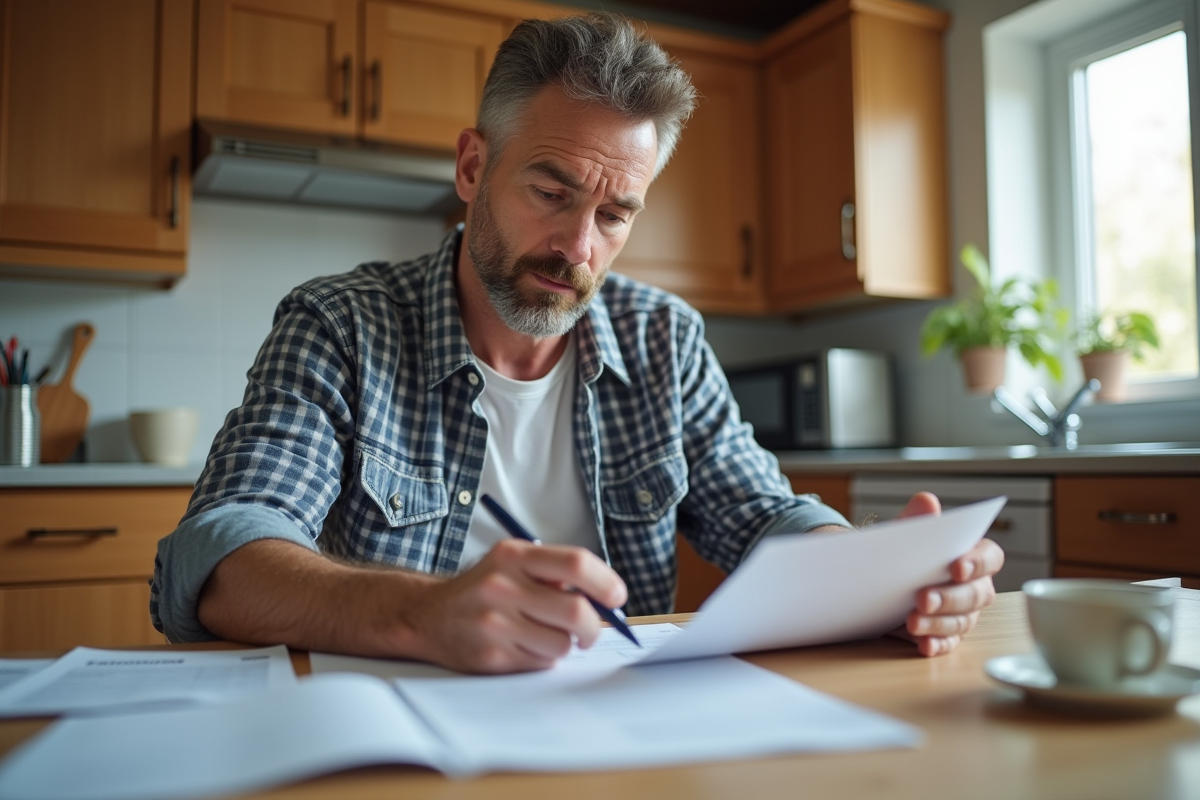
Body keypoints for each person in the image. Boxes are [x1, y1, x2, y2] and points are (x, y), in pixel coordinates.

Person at [151, 13, 1003, 674]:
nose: (578, 247)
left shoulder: (663, 338)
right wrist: (427, 614)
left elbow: (764, 516)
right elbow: (222, 555)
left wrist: (879, 575)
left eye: (614, 213)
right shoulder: (341, 325)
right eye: (551, 192)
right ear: (473, 168)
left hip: (612, 736)